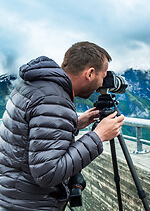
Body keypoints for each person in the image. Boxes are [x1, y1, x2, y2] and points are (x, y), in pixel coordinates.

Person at [0, 41, 124, 210]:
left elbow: (30, 131)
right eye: (102, 77)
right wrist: (98, 136)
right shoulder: (55, 100)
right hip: (30, 204)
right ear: (90, 73)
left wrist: (75, 123)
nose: (102, 85)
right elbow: (47, 173)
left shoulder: (36, 85)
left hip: (14, 194)